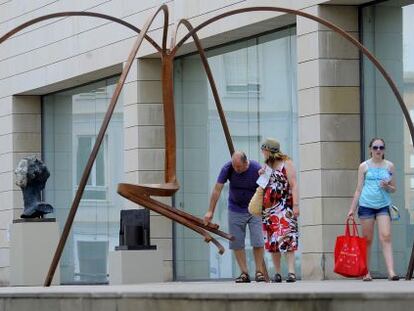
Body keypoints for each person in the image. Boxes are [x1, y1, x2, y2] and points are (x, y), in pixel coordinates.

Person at [204, 151, 266, 283]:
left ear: (246, 163)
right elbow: (217, 189)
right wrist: (210, 211)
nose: (236, 169)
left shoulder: (255, 168)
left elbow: (266, 188)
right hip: (235, 209)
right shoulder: (227, 168)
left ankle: (259, 271)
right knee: (236, 242)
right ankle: (244, 273)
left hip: (254, 209)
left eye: (239, 167)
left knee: (258, 240)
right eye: (234, 166)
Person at [348, 138, 399, 281]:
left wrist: (387, 187)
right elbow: (358, 189)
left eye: (381, 147)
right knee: (367, 239)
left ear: (384, 150)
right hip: (366, 205)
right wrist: (352, 209)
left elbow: (394, 189)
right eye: (375, 147)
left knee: (386, 236)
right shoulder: (364, 166)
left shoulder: (389, 166)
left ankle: (391, 271)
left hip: (383, 204)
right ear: (370, 149)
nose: (378, 150)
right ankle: (366, 271)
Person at [260, 138, 299, 283]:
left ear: (269, 150)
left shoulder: (286, 164)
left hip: (285, 206)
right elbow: (262, 187)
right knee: (273, 242)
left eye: (264, 150)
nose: (263, 153)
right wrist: (261, 175)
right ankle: (277, 273)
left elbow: (294, 184)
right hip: (269, 210)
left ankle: (291, 272)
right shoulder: (266, 166)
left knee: (288, 239)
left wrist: (296, 205)